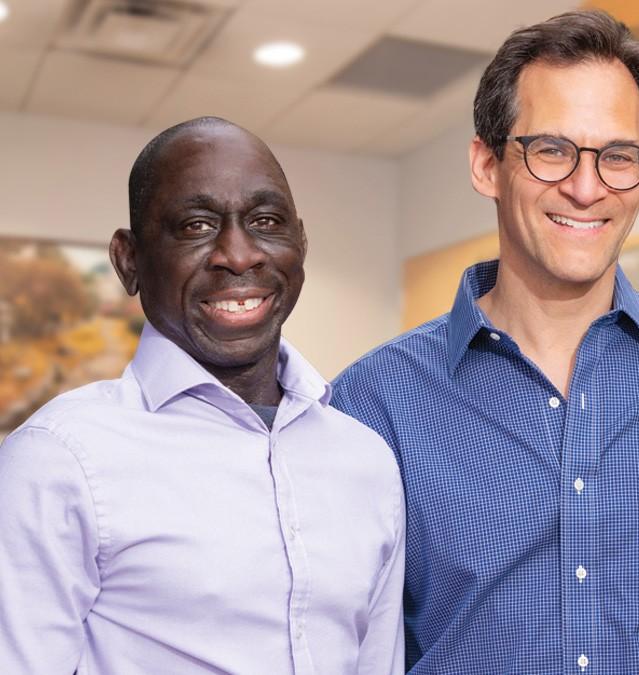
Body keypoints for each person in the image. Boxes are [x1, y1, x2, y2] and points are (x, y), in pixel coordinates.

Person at [331, 10, 639, 674]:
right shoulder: (375, 401)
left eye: (617, 157)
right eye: (551, 149)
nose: (585, 186)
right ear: (486, 163)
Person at [0, 117, 405, 673]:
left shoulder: (366, 460)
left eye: (265, 221)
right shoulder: (59, 459)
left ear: (300, 245)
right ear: (130, 260)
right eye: (196, 226)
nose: (238, 255)